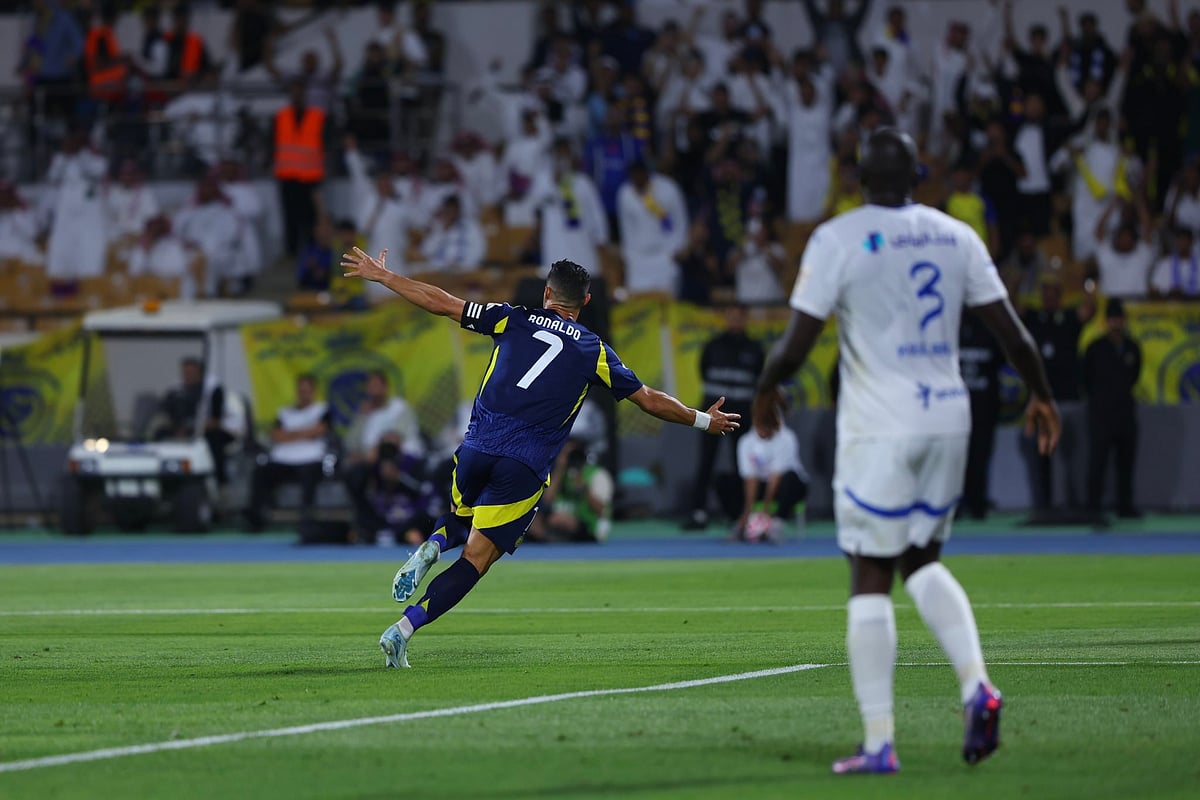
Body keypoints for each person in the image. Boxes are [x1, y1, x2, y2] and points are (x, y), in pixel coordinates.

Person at [752, 128, 1060, 773]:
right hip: (949, 418)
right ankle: (978, 686)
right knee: (921, 559)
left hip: (879, 425)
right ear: (919, 175)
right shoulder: (957, 235)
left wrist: (767, 386)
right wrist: (1041, 395)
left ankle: (878, 742)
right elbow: (1015, 336)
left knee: (869, 572)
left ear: (857, 177)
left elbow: (798, 342)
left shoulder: (837, 236)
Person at [337, 253, 739, 668]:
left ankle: (434, 544)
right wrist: (704, 420)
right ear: (583, 303)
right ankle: (403, 630)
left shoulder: (511, 318)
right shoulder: (592, 349)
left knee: (464, 512)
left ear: (546, 293)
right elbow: (649, 400)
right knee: (478, 557)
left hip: (476, 447)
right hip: (524, 464)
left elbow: (441, 301)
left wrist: (384, 276)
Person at [684, 305, 764, 530]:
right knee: (706, 461)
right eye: (731, 316)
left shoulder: (755, 348)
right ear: (726, 318)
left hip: (742, 415)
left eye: (739, 317)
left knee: (743, 463)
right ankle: (698, 512)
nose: (735, 321)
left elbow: (760, 379)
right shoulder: (713, 346)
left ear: (745, 319)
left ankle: (739, 513)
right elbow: (704, 370)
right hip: (712, 414)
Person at [1022, 276, 1095, 511]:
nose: (1050, 296)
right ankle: (1044, 505)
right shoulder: (1034, 318)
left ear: (1060, 295)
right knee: (1043, 454)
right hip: (1042, 400)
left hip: (1068, 399)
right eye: (1046, 292)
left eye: (1054, 291)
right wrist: (1012, 282)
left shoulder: (1069, 317)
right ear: (1042, 294)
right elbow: (1012, 310)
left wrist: (1088, 284)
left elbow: (1089, 310)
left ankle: (1074, 504)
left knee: (1072, 456)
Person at [243, 374, 332, 532]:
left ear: (313, 391)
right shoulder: (284, 413)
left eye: (307, 390)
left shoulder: (322, 410)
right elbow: (277, 435)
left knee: (309, 475)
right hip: (283, 458)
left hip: (310, 458)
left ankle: (306, 519)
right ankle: (256, 517)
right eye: (301, 390)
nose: (303, 394)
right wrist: (305, 432)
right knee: (260, 472)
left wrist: (290, 435)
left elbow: (320, 430)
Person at [341, 370, 422, 538]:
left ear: (385, 387)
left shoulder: (399, 407)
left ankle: (402, 526)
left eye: (377, 385)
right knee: (354, 475)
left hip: (401, 458)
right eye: (370, 386)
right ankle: (369, 525)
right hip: (371, 461)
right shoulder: (364, 412)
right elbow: (350, 442)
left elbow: (394, 438)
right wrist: (362, 417)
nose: (373, 390)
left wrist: (375, 452)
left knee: (384, 466)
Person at [1083, 298, 1142, 519]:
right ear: (1106, 321)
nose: (1116, 323)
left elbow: (1134, 376)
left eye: (1119, 319)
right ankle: (1093, 506)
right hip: (1101, 413)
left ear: (1124, 321)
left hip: (1125, 412)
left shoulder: (1132, 348)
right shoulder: (1095, 348)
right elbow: (1085, 378)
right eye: (1112, 319)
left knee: (1126, 462)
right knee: (1097, 461)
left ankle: (1125, 506)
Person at [724, 421, 809, 542]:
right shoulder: (747, 441)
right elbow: (750, 477)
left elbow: (776, 475)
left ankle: (776, 524)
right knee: (725, 481)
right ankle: (741, 523)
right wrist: (747, 511)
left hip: (782, 486)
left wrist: (765, 510)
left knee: (791, 480)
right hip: (760, 485)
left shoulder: (786, 438)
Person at [958, 310, 1005, 519]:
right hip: (957, 410)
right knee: (955, 460)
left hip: (984, 409)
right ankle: (955, 506)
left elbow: (1002, 362)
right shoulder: (951, 328)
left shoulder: (989, 330)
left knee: (981, 457)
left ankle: (978, 504)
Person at [274, 79, 328, 257]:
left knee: (312, 219)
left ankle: (313, 250)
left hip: (310, 177)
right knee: (290, 218)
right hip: (287, 176)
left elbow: (326, 141)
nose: (297, 95)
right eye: (294, 91)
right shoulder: (281, 116)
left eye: (300, 91)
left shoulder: (317, 116)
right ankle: (291, 253)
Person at [617, 159, 688, 293]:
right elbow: (626, 229)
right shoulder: (625, 193)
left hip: (665, 256)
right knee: (640, 302)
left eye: (640, 175)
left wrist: (678, 248)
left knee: (666, 302)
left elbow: (680, 220)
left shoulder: (668, 189)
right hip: (638, 260)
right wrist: (629, 256)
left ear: (647, 173)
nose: (637, 180)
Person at [527, 441, 614, 543]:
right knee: (532, 519)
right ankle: (548, 540)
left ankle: (549, 539)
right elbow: (547, 500)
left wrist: (584, 488)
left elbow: (602, 511)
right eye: (564, 453)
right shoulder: (557, 473)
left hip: (585, 524)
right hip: (555, 520)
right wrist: (560, 468)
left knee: (556, 519)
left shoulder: (596, 475)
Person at [1148, 227, 1200, 298]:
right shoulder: (1165, 264)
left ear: (1191, 242)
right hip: (1170, 306)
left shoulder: (1198, 263)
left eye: (1184, 239)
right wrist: (1169, 293)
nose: (1181, 243)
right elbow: (1154, 290)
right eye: (1179, 239)